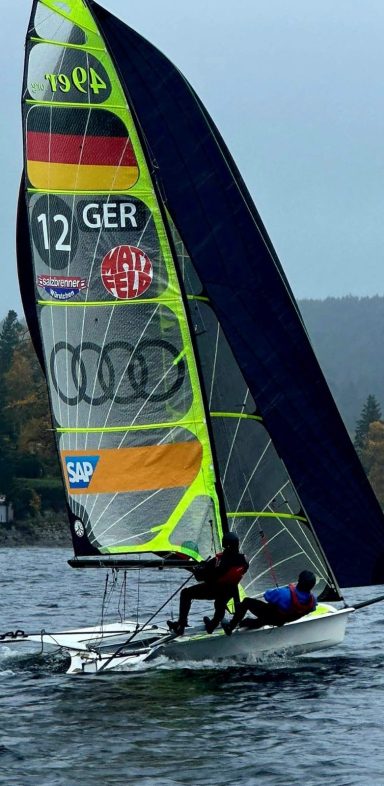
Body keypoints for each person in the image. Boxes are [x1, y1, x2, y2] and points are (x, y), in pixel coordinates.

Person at [167, 532, 248, 636]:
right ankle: (213, 624)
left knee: (186, 593)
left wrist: (198, 570)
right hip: (231, 590)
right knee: (220, 603)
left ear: (225, 545)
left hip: (215, 589)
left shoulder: (219, 561)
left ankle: (181, 625)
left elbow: (202, 577)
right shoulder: (244, 560)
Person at [222, 569, 317, 635]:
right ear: (312, 586)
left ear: (299, 580)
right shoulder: (312, 601)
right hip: (280, 621)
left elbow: (267, 595)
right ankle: (246, 622)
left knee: (246, 602)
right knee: (249, 621)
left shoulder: (284, 594)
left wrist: (286, 589)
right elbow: (312, 609)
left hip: (268, 617)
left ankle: (230, 627)